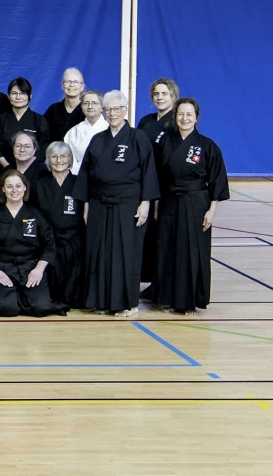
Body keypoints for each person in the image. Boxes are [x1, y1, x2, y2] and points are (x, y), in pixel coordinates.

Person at [78, 90, 159, 317]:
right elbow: (86, 172)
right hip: (99, 202)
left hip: (128, 202)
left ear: (125, 110)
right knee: (100, 251)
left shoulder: (138, 138)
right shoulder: (98, 139)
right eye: (108, 110)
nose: (112, 113)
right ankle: (101, 301)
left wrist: (145, 202)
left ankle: (128, 303)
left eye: (116, 109)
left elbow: (148, 171)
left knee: (127, 252)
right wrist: (86, 203)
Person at [154, 98, 229, 315]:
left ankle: (189, 302)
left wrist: (212, 210)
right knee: (167, 249)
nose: (184, 118)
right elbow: (157, 175)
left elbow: (216, 180)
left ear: (197, 117)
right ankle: (167, 298)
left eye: (189, 114)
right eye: (181, 114)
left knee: (192, 251)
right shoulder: (165, 142)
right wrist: (156, 205)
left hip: (196, 202)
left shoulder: (207, 145)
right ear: (175, 116)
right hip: (169, 201)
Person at [0, 170, 64, 317]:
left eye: (18, 186)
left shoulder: (35, 214)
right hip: (2, 268)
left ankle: (21, 296)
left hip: (30, 268)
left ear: (25, 188)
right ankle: (15, 297)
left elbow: (49, 246)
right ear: (3, 189)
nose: (14, 190)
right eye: (9, 186)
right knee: (6, 308)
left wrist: (38, 270)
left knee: (41, 307)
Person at [137, 77, 180, 302]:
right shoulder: (146, 121)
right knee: (149, 236)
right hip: (146, 184)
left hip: (166, 188)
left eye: (164, 93)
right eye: (156, 94)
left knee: (164, 237)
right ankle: (153, 281)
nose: (160, 98)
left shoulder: (177, 121)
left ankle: (164, 285)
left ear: (173, 95)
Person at [32, 142, 85, 310]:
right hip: (50, 239)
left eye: (63, 156)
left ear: (70, 159)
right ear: (48, 160)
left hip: (74, 239)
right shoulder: (40, 184)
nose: (58, 160)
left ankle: (73, 299)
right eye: (54, 156)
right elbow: (35, 214)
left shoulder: (78, 183)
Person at [0, 78, 49, 168]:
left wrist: (28, 168)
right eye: (14, 93)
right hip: (4, 169)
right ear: (9, 96)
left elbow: (44, 147)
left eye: (22, 93)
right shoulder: (0, 120)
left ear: (30, 96)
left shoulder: (39, 120)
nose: (18, 97)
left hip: (33, 170)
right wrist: (7, 167)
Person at [63, 90, 108, 165]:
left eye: (94, 103)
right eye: (86, 103)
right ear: (81, 106)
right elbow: (68, 158)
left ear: (102, 107)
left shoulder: (109, 129)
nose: (90, 107)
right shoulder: (73, 132)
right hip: (78, 171)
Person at [43, 69, 88, 142]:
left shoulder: (87, 110)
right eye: (68, 81)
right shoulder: (53, 109)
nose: (72, 85)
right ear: (62, 86)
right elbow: (42, 134)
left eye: (76, 82)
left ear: (82, 87)